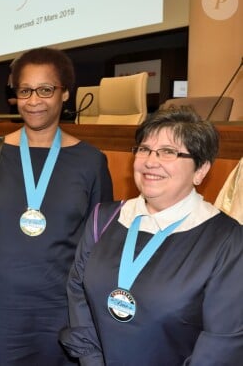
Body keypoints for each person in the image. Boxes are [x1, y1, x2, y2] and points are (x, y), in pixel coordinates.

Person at [60, 107, 243, 365]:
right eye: (144, 149)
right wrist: (92, 361)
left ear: (200, 170)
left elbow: (222, 344)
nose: (150, 161)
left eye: (168, 152)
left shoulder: (227, 240)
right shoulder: (104, 218)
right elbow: (78, 295)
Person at [0, 47, 113, 365]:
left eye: (46, 90)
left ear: (64, 94)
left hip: (58, 311)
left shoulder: (91, 162)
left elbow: (98, 243)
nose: (34, 101)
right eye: (25, 91)